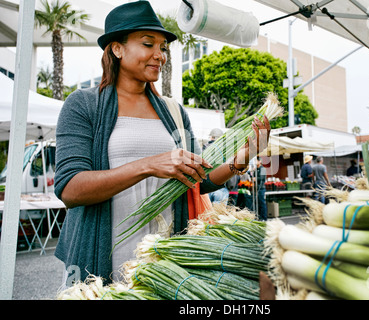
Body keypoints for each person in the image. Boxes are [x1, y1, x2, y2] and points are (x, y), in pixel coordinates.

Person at [53, 1, 271, 285]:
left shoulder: (173, 111)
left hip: (165, 262)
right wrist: (149, 165)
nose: (160, 55)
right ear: (117, 49)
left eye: (163, 48)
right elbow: (70, 188)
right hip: (104, 259)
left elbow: (198, 180)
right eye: (148, 44)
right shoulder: (83, 105)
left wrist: (246, 154)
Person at [254, 157, 267, 221]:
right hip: (256, 188)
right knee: (258, 203)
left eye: (256, 161)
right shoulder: (256, 169)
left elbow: (262, 178)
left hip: (261, 188)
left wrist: (255, 178)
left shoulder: (263, 169)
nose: (255, 162)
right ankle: (259, 217)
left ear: (260, 161)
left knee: (262, 203)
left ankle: (264, 218)